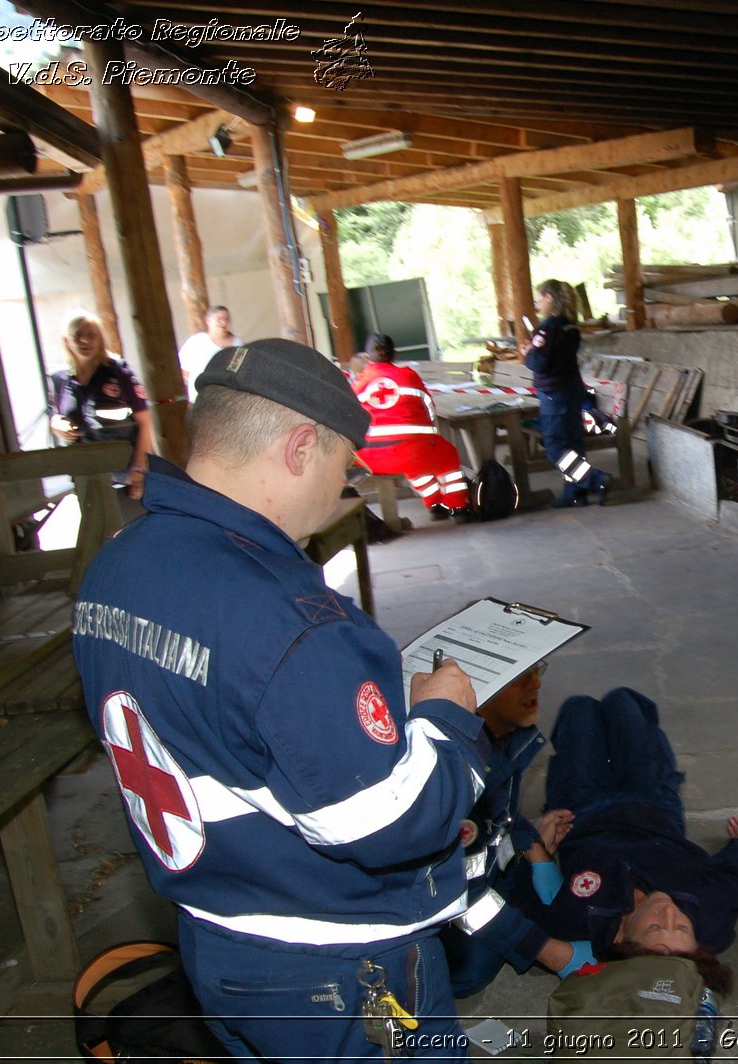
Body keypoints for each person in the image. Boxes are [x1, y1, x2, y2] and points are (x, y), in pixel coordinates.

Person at [72, 338, 490, 1061]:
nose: (348, 477)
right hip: (334, 974)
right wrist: (445, 714)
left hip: (216, 941)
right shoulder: (289, 619)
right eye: (342, 458)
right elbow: (391, 820)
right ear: (300, 446)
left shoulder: (115, 565)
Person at [510, 687, 738, 994]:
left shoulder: (577, 922)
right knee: (623, 703)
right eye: (682, 927)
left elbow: (523, 902)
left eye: (655, 927)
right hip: (653, 806)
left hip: (580, 812)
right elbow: (735, 883)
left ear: (620, 938)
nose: (670, 912)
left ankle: (584, 716)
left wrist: (539, 850)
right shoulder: (711, 917)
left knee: (580, 709)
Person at [438, 659, 609, 996]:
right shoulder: (454, 775)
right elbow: (458, 892)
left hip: (479, 869)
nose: (536, 685)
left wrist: (533, 849)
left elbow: (501, 814)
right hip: (446, 893)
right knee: (466, 972)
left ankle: (512, 893)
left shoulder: (503, 736)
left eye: (536, 670)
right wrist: (549, 952)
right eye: (520, 679)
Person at [352, 332, 475, 520]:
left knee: (414, 463)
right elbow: (429, 409)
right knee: (446, 456)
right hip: (412, 452)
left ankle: (435, 503)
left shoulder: (358, 383)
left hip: (369, 458)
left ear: (367, 358)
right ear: (394, 355)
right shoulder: (408, 376)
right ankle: (457, 507)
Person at [523, 280, 612, 508]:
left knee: (554, 447)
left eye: (538, 299)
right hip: (572, 391)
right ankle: (575, 494)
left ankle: (594, 479)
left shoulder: (547, 328)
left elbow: (539, 363)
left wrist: (528, 352)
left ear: (549, 298)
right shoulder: (570, 327)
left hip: (554, 393)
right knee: (573, 444)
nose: (536, 304)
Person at [47, 311, 153, 500]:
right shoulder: (60, 379)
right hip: (86, 474)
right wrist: (55, 424)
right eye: (78, 335)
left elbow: (145, 422)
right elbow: (54, 414)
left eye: (91, 335)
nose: (85, 341)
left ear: (100, 338)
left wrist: (139, 468)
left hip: (125, 472)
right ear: (66, 340)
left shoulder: (119, 371)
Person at [177, 305, 240, 402]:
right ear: (208, 321)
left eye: (226, 319)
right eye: (219, 319)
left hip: (229, 399)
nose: (223, 323)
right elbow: (183, 370)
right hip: (200, 398)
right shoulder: (196, 341)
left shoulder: (238, 343)